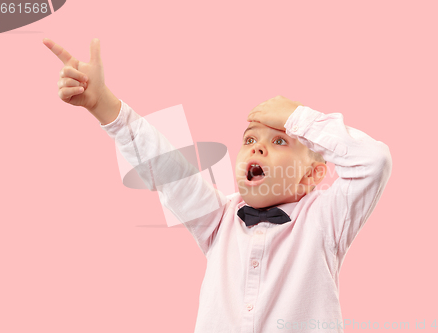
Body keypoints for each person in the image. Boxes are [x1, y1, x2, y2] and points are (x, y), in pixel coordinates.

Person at [43, 37, 392, 333]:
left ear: (313, 176)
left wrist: (296, 118)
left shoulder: (326, 219)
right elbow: (167, 167)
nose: (257, 146)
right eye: (250, 139)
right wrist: (105, 105)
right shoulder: (218, 217)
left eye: (280, 141)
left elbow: (373, 161)